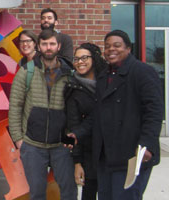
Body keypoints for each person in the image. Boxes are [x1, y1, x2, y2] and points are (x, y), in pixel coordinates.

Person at [67, 30, 164, 200]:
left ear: (128, 48)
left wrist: (146, 144)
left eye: (117, 45)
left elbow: (154, 112)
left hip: (131, 155)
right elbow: (97, 113)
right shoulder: (104, 76)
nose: (111, 49)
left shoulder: (142, 72)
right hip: (106, 157)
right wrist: (78, 133)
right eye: (107, 46)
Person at [9, 29, 77, 200]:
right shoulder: (26, 72)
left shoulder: (69, 74)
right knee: (37, 194)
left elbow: (75, 109)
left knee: (69, 191)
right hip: (32, 145)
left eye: (52, 44)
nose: (48, 47)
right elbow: (15, 106)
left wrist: (71, 137)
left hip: (61, 145)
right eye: (45, 44)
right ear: (39, 46)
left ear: (59, 46)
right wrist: (19, 139)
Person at [65, 43, 106, 200]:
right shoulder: (73, 88)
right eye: (76, 59)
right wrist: (77, 163)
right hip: (89, 152)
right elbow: (73, 127)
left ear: (94, 58)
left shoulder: (108, 82)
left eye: (84, 57)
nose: (80, 62)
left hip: (112, 150)